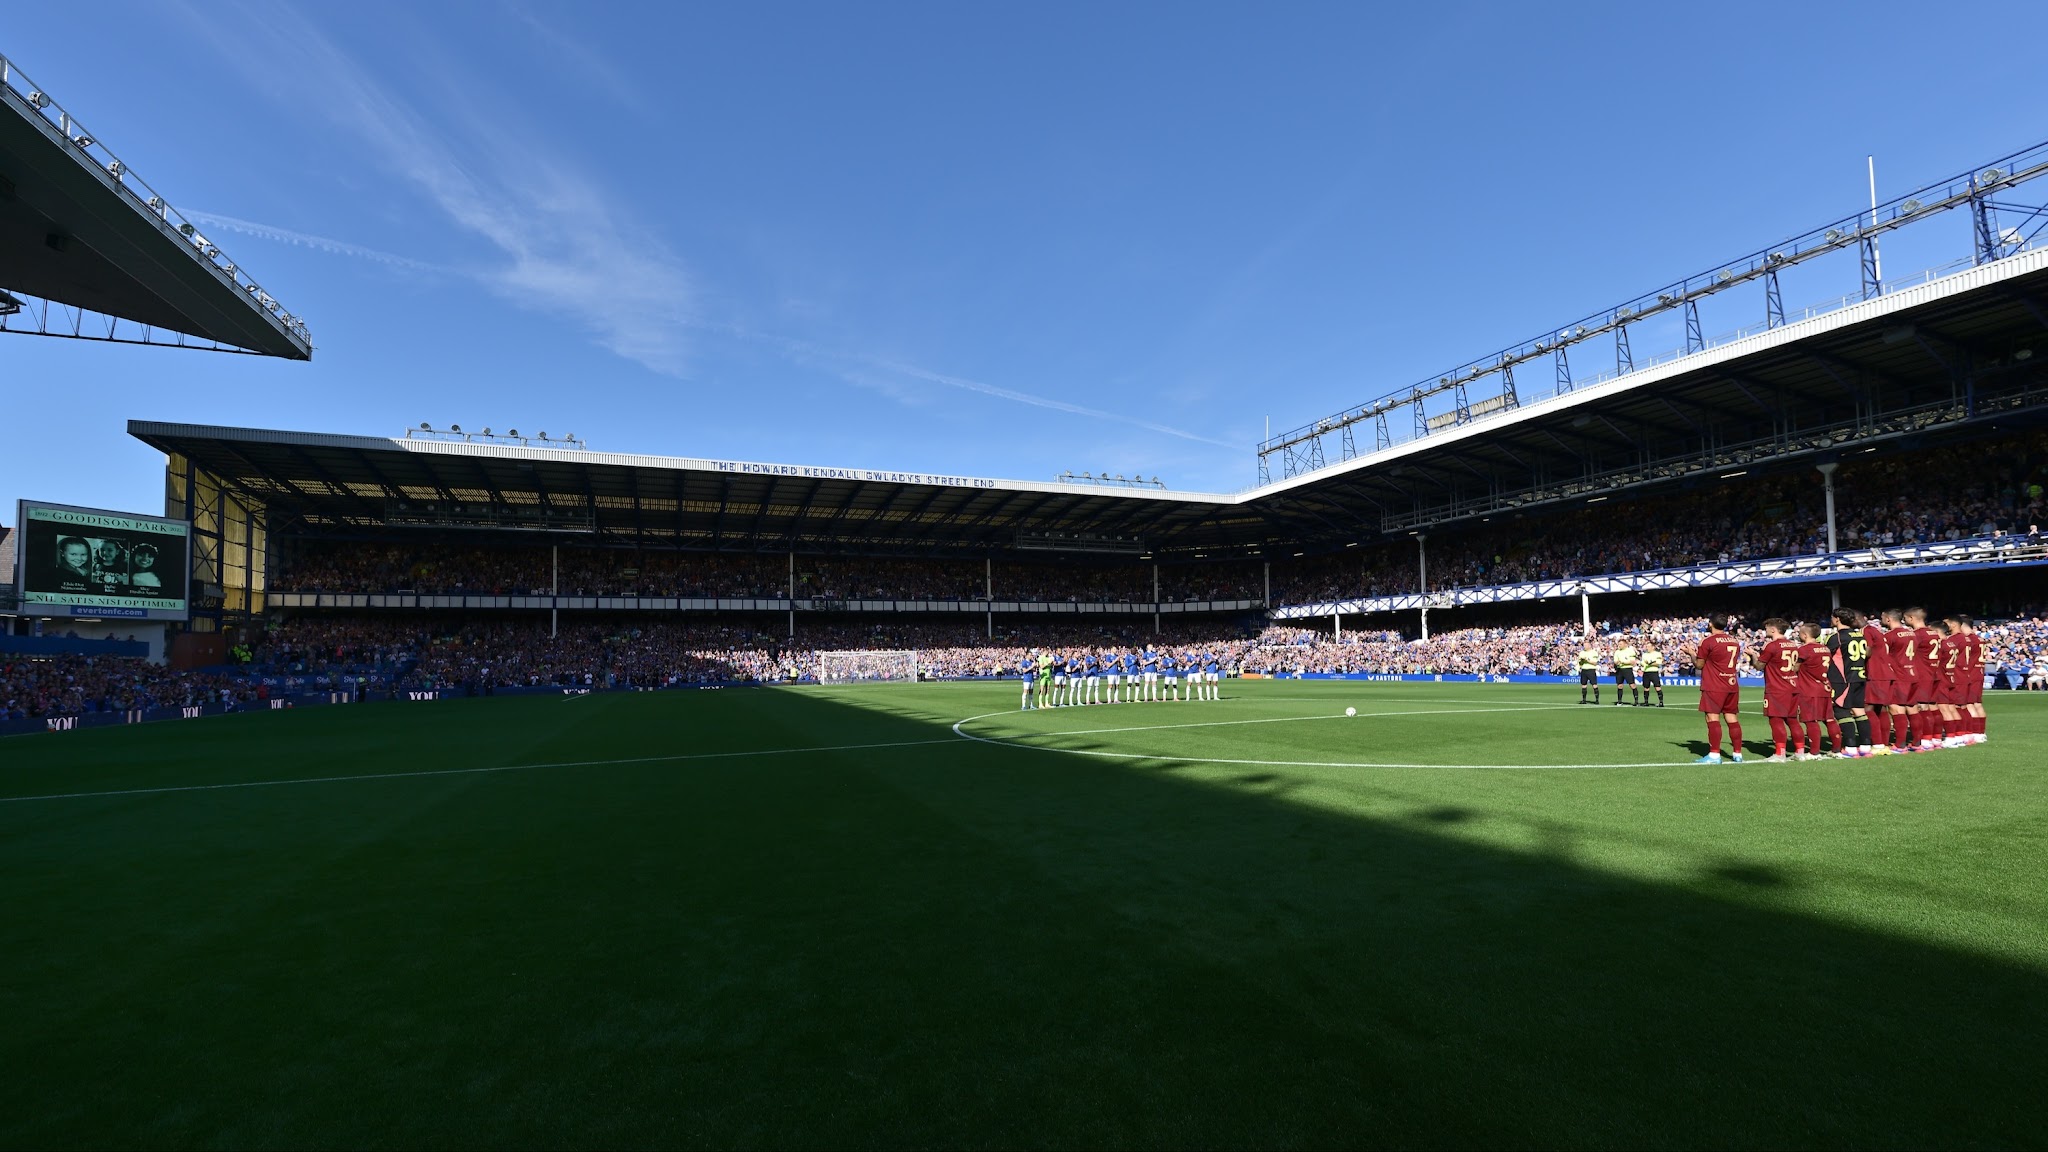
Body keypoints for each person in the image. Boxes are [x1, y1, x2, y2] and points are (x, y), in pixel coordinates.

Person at [1694, 614, 1744, 763]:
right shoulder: (1734, 641)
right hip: (1731, 683)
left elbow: (1699, 665)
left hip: (1714, 684)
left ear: (1710, 624)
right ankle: (1737, 754)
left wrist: (1691, 654)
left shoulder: (1707, 641)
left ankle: (1715, 755)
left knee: (1712, 717)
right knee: (1731, 717)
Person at [1829, 606, 1873, 756]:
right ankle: (1866, 746)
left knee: (1841, 711)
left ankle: (1850, 747)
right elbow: (1868, 652)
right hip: (1859, 677)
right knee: (1859, 711)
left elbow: (1825, 656)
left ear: (1837, 619)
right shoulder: (1860, 635)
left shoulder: (1837, 638)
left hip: (1843, 679)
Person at [1795, 622, 1843, 758]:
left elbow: (1795, 668)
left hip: (1809, 689)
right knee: (1829, 719)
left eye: (1800, 633)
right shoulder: (1825, 649)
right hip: (1824, 687)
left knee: (1811, 720)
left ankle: (1814, 752)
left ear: (1804, 635)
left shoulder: (1804, 650)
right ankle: (1836, 750)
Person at [1758, 619, 1801, 761]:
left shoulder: (1772, 646)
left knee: (1776, 720)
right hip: (1793, 686)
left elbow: (1759, 666)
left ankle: (1780, 753)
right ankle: (1800, 751)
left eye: (1766, 628)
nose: (1765, 631)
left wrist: (1752, 655)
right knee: (1793, 720)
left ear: (1773, 629)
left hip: (1777, 688)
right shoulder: (1793, 645)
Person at [1861, 608, 1898, 754]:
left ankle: (1877, 744)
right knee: (1881, 708)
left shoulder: (1867, 631)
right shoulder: (1877, 631)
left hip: (1876, 674)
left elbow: (1868, 651)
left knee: (1868, 708)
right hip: (1885, 673)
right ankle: (1884, 743)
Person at [1611, 639, 1640, 706]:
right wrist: (1618, 662)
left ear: (1625, 644)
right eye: (1619, 644)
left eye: (1620, 644)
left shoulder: (1630, 651)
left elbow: (1632, 662)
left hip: (1627, 669)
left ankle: (1636, 701)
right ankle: (1619, 701)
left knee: (1632, 685)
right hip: (1619, 670)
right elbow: (1615, 661)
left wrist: (1623, 662)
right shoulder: (1617, 652)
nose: (1619, 645)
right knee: (1619, 685)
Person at [1576, 639, 1601, 705]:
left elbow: (1595, 663)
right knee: (1583, 685)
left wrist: (1587, 660)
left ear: (1589, 646)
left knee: (1594, 685)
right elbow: (1580, 663)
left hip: (1591, 670)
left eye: (1586, 645)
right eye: (1584, 645)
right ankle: (1584, 700)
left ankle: (1597, 700)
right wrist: (1581, 661)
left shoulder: (1594, 652)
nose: (1584, 646)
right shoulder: (1581, 652)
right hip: (1584, 670)